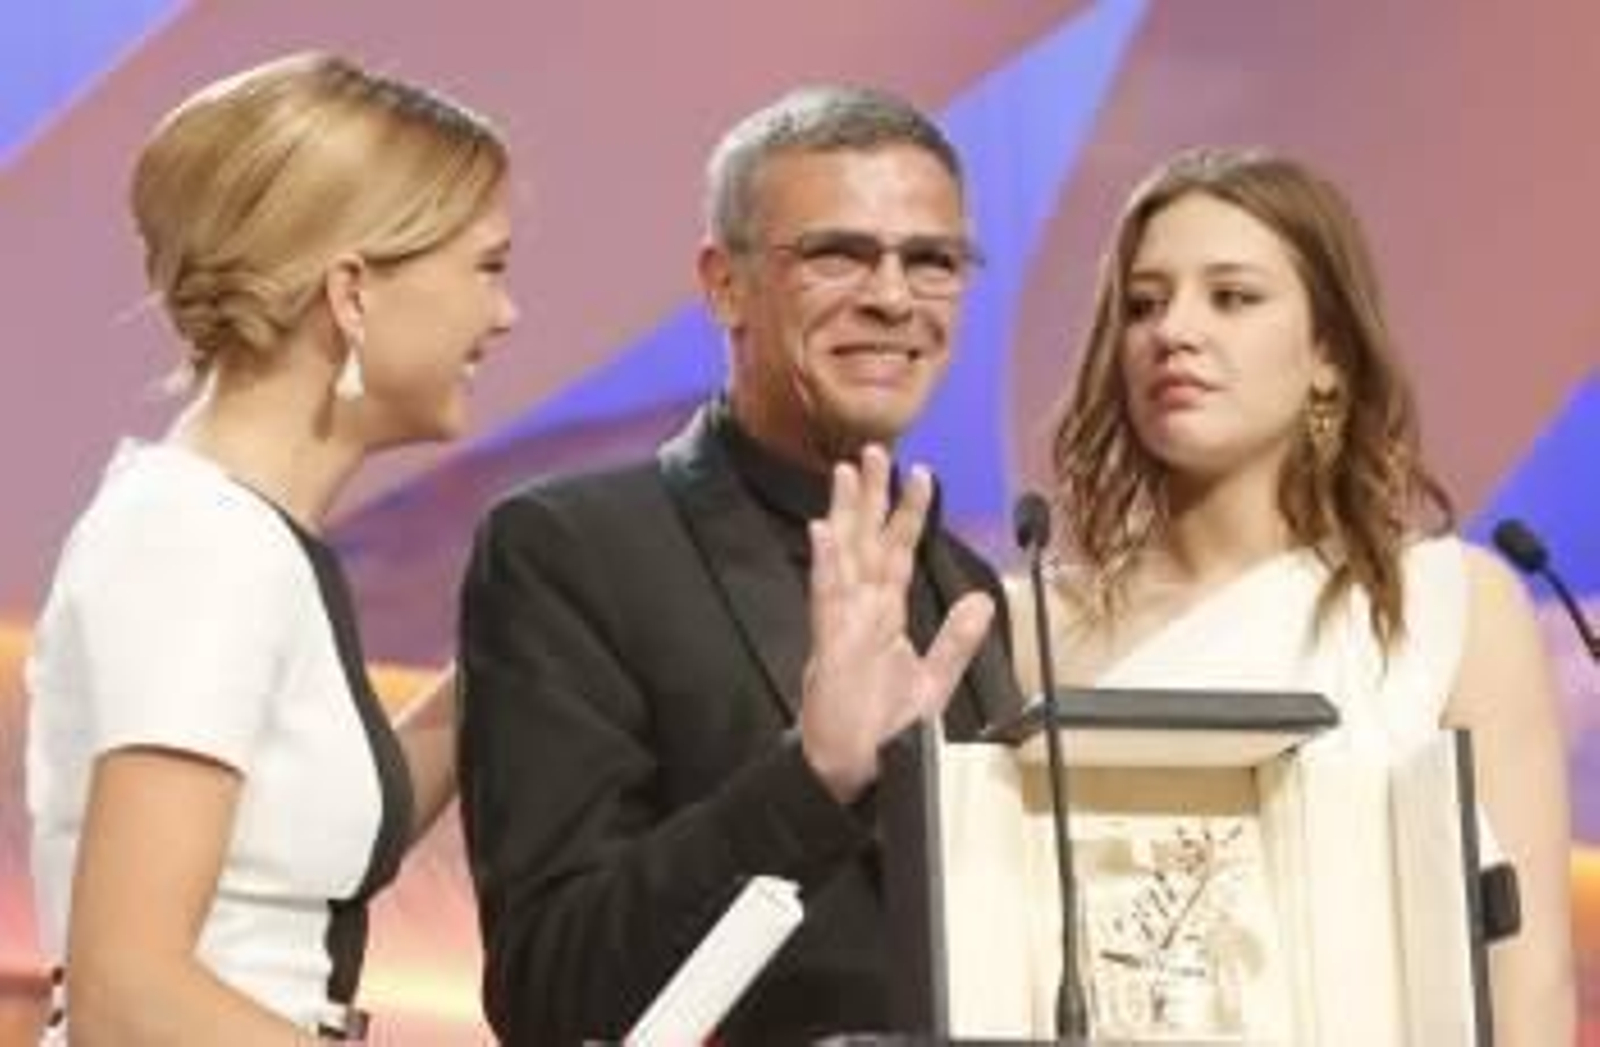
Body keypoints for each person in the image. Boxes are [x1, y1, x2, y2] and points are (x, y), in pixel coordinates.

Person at [456, 85, 1019, 1045]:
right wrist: (811, 778)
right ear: (724, 283)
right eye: (839, 253)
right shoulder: (571, 551)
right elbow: (550, 988)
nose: (891, 297)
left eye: (931, 261)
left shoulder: (967, 586)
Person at [1019, 146, 1574, 1043]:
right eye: (1144, 304)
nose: (1175, 331)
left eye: (1232, 297)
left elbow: (1529, 977)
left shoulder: (1451, 604)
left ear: (1327, 354)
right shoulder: (1034, 625)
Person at [24, 52, 517, 1043]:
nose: (503, 314)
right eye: (487, 267)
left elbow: (274, 877)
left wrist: (525, 642)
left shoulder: (235, 535)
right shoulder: (196, 542)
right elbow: (130, 995)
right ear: (353, 293)